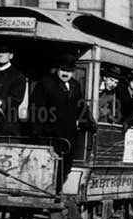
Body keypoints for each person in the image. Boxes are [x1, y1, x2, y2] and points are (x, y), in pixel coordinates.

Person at [30, 54, 96, 184]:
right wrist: (38, 132)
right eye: (63, 70)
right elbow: (36, 109)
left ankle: (58, 194)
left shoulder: (75, 86)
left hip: (69, 137)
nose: (65, 73)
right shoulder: (46, 83)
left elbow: (81, 106)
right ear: (58, 69)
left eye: (69, 71)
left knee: (65, 168)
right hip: (50, 136)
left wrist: (88, 123)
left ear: (73, 72)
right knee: (46, 168)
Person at [0, 44, 26, 136]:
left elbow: (17, 98)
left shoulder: (18, 76)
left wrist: (2, 101)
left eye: (4, 52)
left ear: (11, 56)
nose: (1, 55)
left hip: (8, 122)